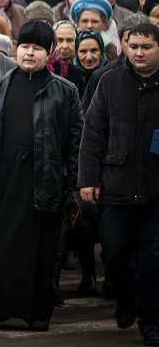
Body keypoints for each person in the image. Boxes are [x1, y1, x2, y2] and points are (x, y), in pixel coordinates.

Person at [0, 20, 83, 330]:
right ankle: (1, 305)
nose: (29, 53)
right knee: (1, 243)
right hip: (4, 176)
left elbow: (75, 141)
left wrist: (73, 186)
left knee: (40, 249)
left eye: (37, 48)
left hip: (43, 180)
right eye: (25, 46)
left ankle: (37, 311)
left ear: (49, 53)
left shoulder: (65, 91)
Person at [78, 23, 159, 345]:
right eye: (134, 46)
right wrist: (87, 179)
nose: (138, 52)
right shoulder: (109, 81)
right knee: (113, 252)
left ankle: (151, 319)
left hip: (156, 189)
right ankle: (127, 297)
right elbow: (93, 133)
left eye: (147, 47)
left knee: (154, 255)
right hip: (117, 184)